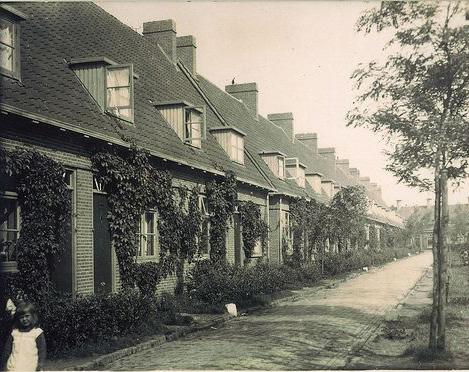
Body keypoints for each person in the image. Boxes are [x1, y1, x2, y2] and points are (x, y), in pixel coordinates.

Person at [1, 302, 46, 371]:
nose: (24, 319)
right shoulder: (14, 333)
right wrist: (3, 364)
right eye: (21, 317)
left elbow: (42, 351)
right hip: (14, 367)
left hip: (30, 367)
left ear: (33, 316)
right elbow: (7, 350)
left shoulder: (37, 332)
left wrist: (40, 365)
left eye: (27, 316)